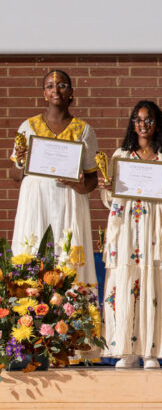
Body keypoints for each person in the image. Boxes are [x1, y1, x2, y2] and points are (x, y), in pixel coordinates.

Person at [98, 101, 162, 369]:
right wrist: (108, 187)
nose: (143, 124)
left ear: (157, 124)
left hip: (153, 230)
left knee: (152, 286)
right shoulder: (121, 154)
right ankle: (126, 350)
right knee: (124, 283)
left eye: (148, 120)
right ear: (132, 123)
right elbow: (110, 199)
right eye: (138, 119)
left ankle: (150, 351)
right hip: (126, 228)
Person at [10, 70, 99, 293]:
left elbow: (92, 179)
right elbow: (14, 175)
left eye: (61, 85)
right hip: (36, 201)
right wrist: (20, 161)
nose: (56, 90)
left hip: (69, 200)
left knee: (66, 255)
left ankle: (72, 307)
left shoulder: (84, 130)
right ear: (44, 93)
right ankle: (28, 304)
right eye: (50, 86)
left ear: (71, 92)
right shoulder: (28, 127)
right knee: (33, 249)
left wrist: (78, 184)